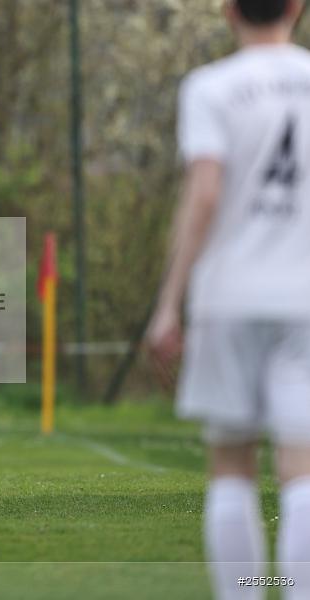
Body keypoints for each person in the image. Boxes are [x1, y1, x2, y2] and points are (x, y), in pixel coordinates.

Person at [147, 1, 310, 597]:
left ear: (227, 11)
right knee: (302, 468)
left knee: (232, 466)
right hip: (305, 300)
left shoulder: (210, 86)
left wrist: (170, 301)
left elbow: (206, 192)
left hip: (229, 297)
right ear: (297, 6)